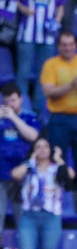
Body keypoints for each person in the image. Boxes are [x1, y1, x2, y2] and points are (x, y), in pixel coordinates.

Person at [0, 82, 40, 233]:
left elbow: (33, 136)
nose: (10, 104)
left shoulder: (30, 117)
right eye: (6, 101)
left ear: (21, 99)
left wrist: (14, 118)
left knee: (23, 216)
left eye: (13, 100)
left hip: (23, 174)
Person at [12, 137, 73, 249]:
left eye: (45, 146)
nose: (42, 149)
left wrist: (59, 159)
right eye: (38, 146)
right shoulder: (29, 166)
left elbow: (70, 175)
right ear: (33, 150)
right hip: (29, 217)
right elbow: (15, 174)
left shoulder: (57, 168)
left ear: (50, 149)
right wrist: (31, 160)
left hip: (51, 217)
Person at [16, 0, 63, 109]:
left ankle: (41, 109)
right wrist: (23, 9)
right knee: (23, 73)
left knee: (45, 75)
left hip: (49, 37)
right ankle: (22, 108)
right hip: (26, 34)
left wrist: (56, 22)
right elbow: (15, 2)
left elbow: (61, 6)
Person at [41, 32, 77, 166]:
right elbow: (48, 91)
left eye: (71, 44)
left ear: (75, 45)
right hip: (59, 119)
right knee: (58, 159)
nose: (68, 48)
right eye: (64, 45)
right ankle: (58, 187)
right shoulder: (51, 64)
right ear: (58, 47)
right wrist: (71, 85)